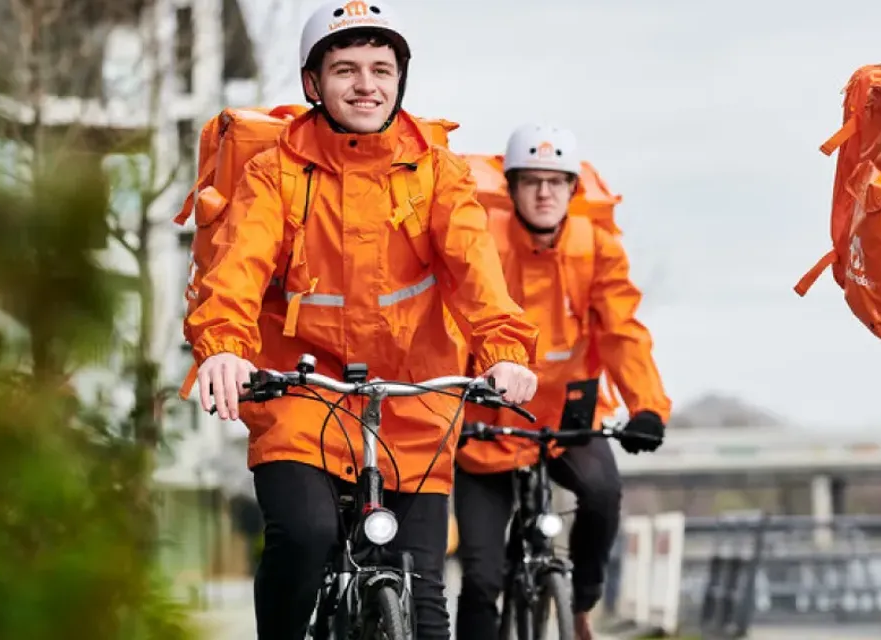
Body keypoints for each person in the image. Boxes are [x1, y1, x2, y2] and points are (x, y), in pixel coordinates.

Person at [184, 3, 542, 638]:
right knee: (305, 535)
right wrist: (222, 347)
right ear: (312, 85)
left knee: (427, 605)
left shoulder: (438, 173)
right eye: (345, 69)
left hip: (415, 402)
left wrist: (505, 351)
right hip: (300, 392)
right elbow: (237, 269)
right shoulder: (275, 174)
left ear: (401, 80)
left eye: (382, 69)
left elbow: (477, 272)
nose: (366, 84)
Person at [452, 124, 670, 640]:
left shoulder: (597, 247)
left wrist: (647, 408)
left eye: (557, 181)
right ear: (510, 188)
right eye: (531, 181)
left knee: (601, 492)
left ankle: (582, 600)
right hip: (486, 426)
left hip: (566, 418)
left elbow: (622, 331)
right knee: (481, 579)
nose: (545, 193)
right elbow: (454, 323)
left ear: (575, 189)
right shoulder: (482, 243)